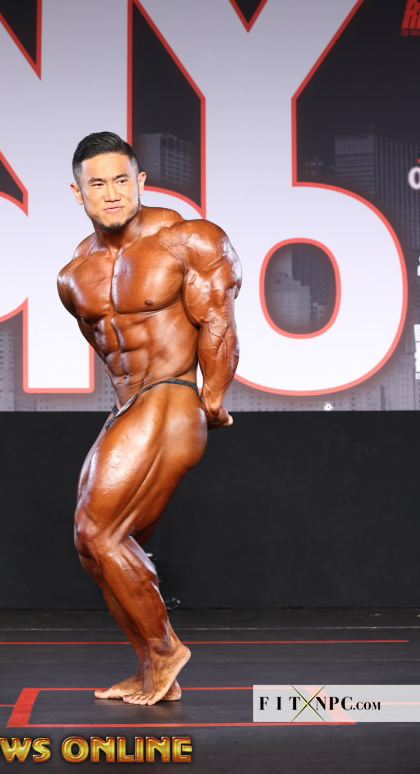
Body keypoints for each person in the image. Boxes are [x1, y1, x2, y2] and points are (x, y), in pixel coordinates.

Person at [57, 132, 241, 706]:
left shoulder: (187, 238)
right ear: (79, 193)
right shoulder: (73, 274)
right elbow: (110, 351)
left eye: (121, 180)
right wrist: (124, 417)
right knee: (93, 545)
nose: (111, 193)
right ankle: (150, 667)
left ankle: (164, 651)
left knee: (100, 530)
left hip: (173, 393)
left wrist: (213, 396)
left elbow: (218, 321)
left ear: (139, 182)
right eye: (97, 184)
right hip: (129, 409)